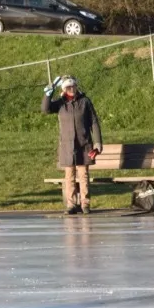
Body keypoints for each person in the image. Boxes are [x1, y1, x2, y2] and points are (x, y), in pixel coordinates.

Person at [42, 75, 102, 215]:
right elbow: (45, 109)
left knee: (83, 175)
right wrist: (47, 95)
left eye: (73, 86)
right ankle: (71, 204)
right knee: (69, 176)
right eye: (69, 87)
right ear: (64, 89)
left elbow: (94, 122)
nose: (72, 89)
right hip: (67, 146)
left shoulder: (85, 102)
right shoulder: (60, 104)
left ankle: (85, 204)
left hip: (84, 143)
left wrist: (98, 142)